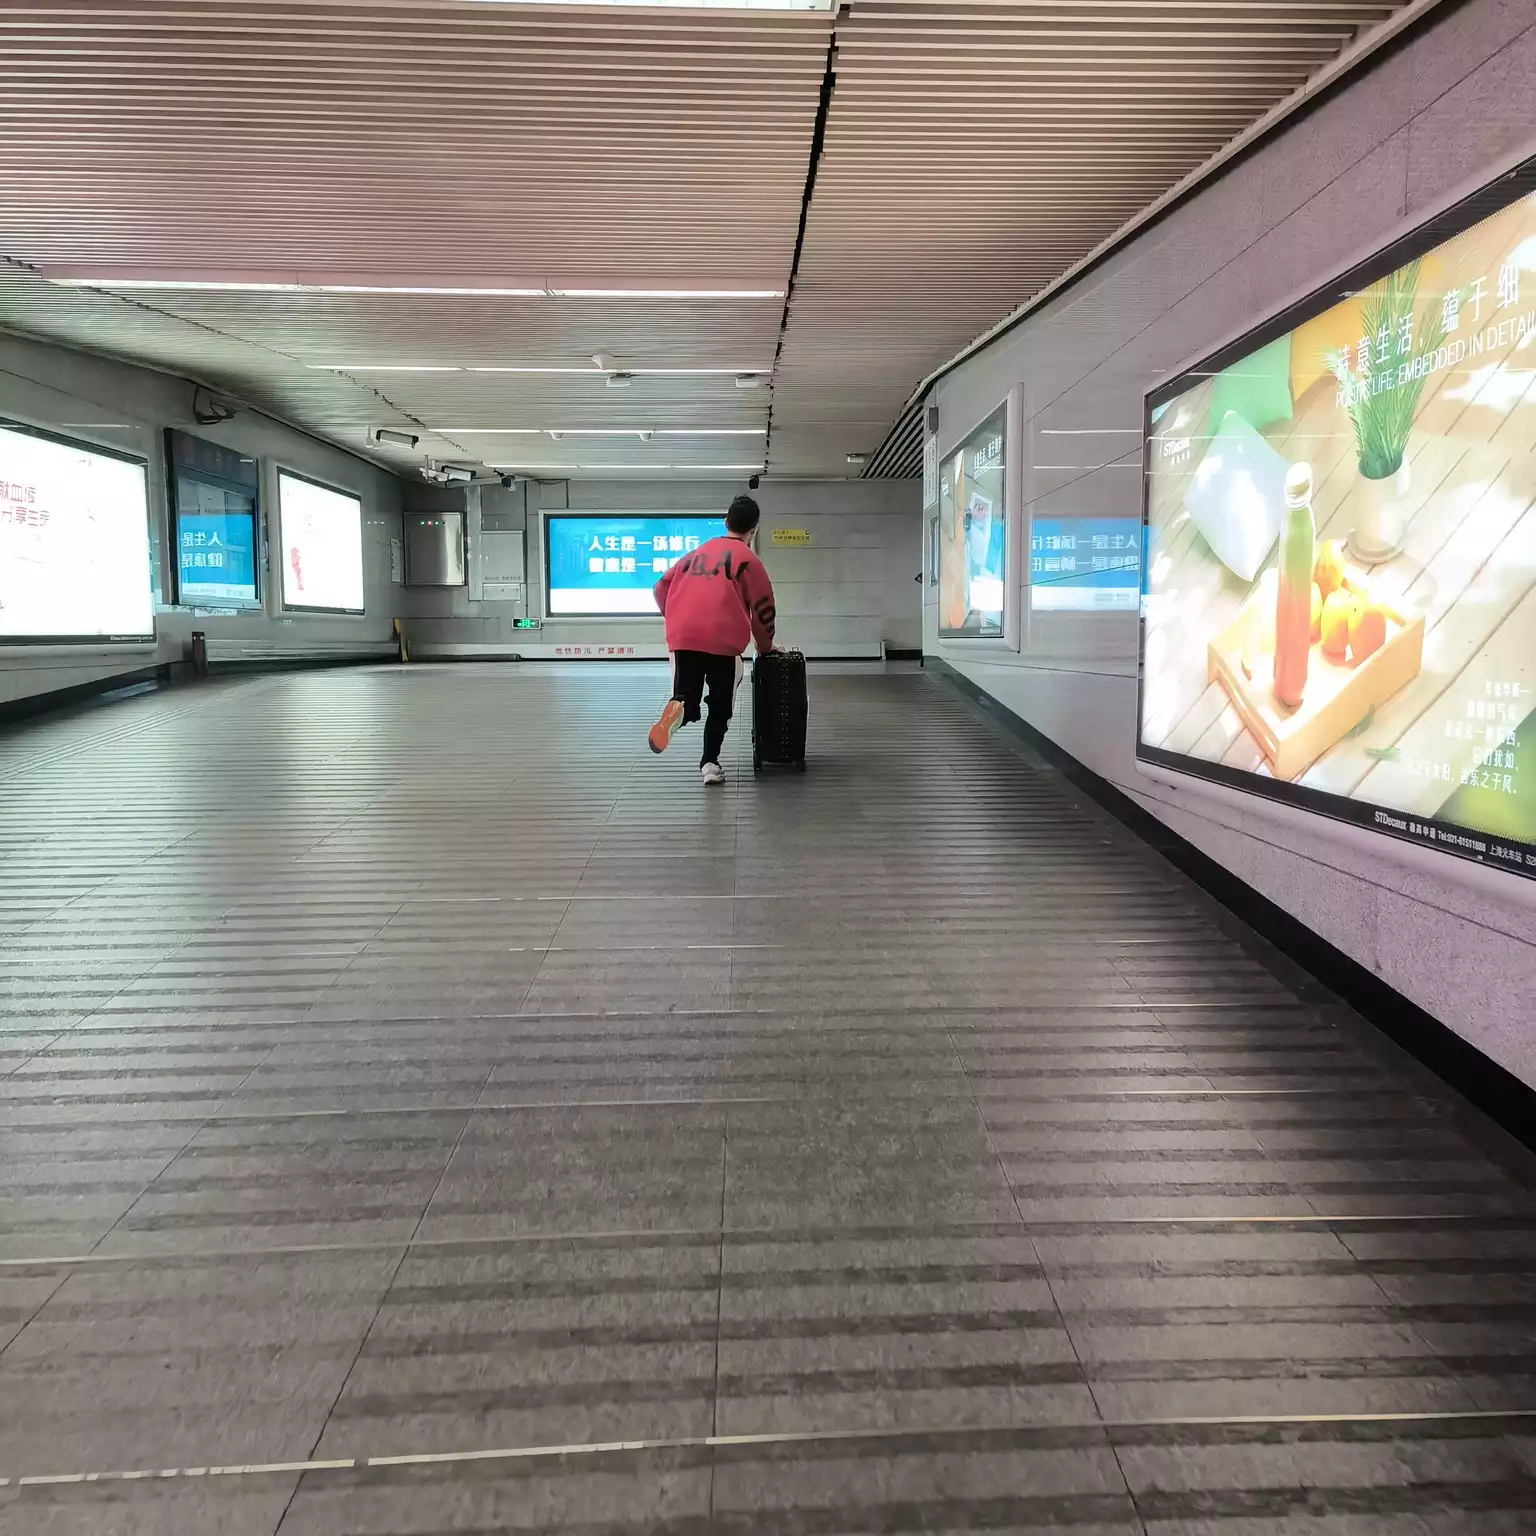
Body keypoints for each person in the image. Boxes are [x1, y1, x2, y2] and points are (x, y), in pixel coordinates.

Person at [648, 494, 776, 785]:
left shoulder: (695, 554)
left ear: (725, 522)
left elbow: (659, 587)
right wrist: (765, 647)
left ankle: (677, 707)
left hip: (684, 636)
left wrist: (677, 617)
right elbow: (764, 609)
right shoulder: (749, 560)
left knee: (686, 698)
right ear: (753, 529)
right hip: (723, 641)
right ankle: (709, 764)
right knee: (720, 705)